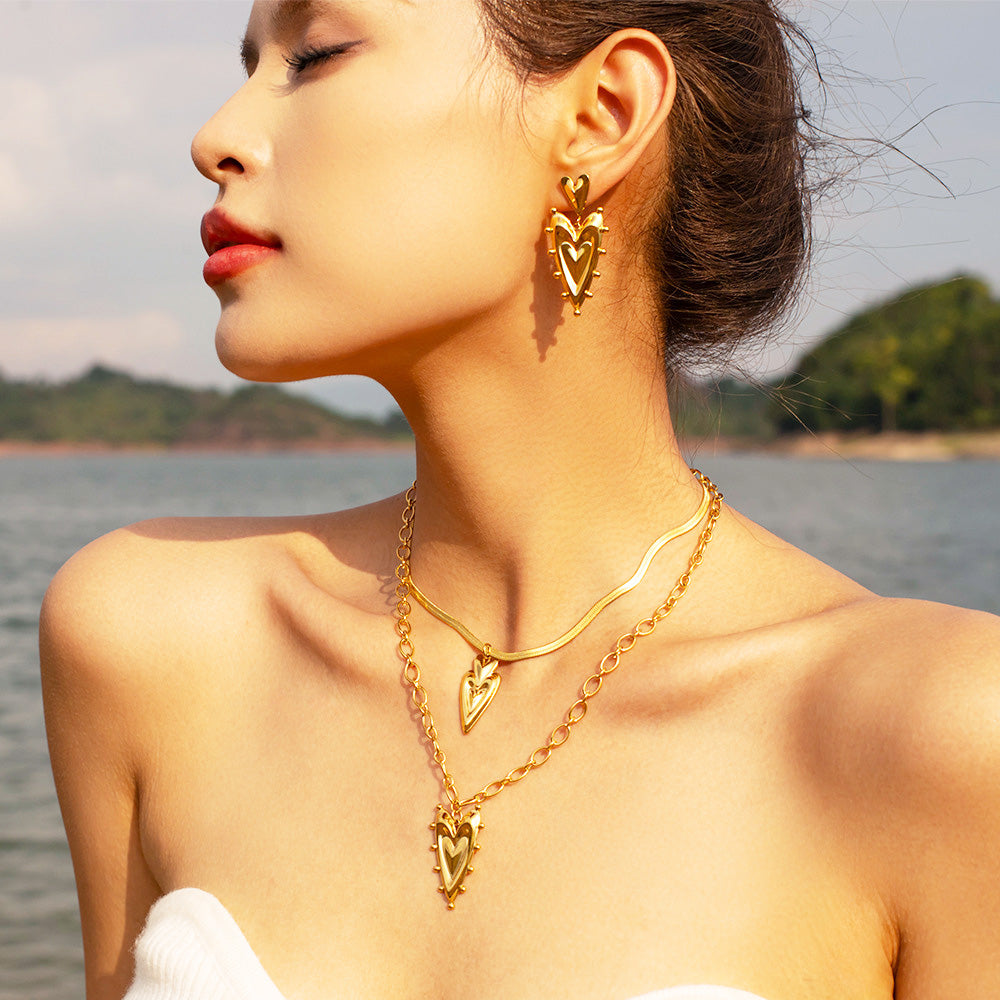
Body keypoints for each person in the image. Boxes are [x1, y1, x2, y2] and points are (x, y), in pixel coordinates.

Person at [39, 2, 1000, 999]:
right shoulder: (146, 638)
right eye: (249, 65)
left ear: (600, 114)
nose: (215, 137)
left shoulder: (936, 736)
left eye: (315, 53)